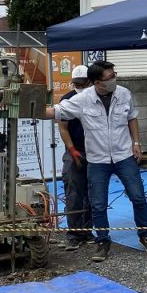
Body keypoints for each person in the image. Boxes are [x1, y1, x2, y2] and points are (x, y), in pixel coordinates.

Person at [49, 60, 147, 262]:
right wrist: (25, 106)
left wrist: (136, 142)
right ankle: (102, 241)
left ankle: (146, 236)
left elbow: (132, 118)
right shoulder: (83, 99)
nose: (113, 79)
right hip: (97, 160)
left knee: (138, 197)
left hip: (124, 155)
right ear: (97, 82)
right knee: (97, 203)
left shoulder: (124, 94)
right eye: (109, 77)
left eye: (113, 75)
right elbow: (56, 112)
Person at [58, 65, 93, 250]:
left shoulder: (96, 98)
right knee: (73, 192)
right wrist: (72, 150)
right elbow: (63, 127)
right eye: (76, 83)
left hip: (96, 152)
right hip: (74, 151)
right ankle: (74, 233)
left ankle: (88, 231)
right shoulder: (68, 99)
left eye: (82, 83)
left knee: (94, 194)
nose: (79, 86)